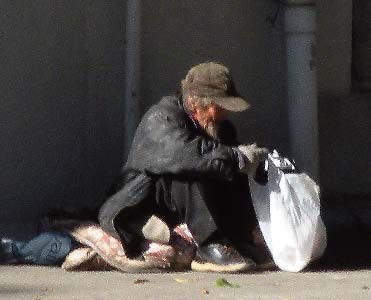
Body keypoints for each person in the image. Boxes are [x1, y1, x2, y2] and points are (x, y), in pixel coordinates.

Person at [99, 62, 269, 273]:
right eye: (220, 106)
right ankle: (209, 245)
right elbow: (189, 155)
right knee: (191, 168)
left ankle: (242, 237)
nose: (225, 113)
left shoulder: (221, 127)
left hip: (186, 207)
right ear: (195, 103)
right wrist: (236, 157)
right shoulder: (161, 118)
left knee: (233, 170)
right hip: (142, 201)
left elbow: (226, 164)